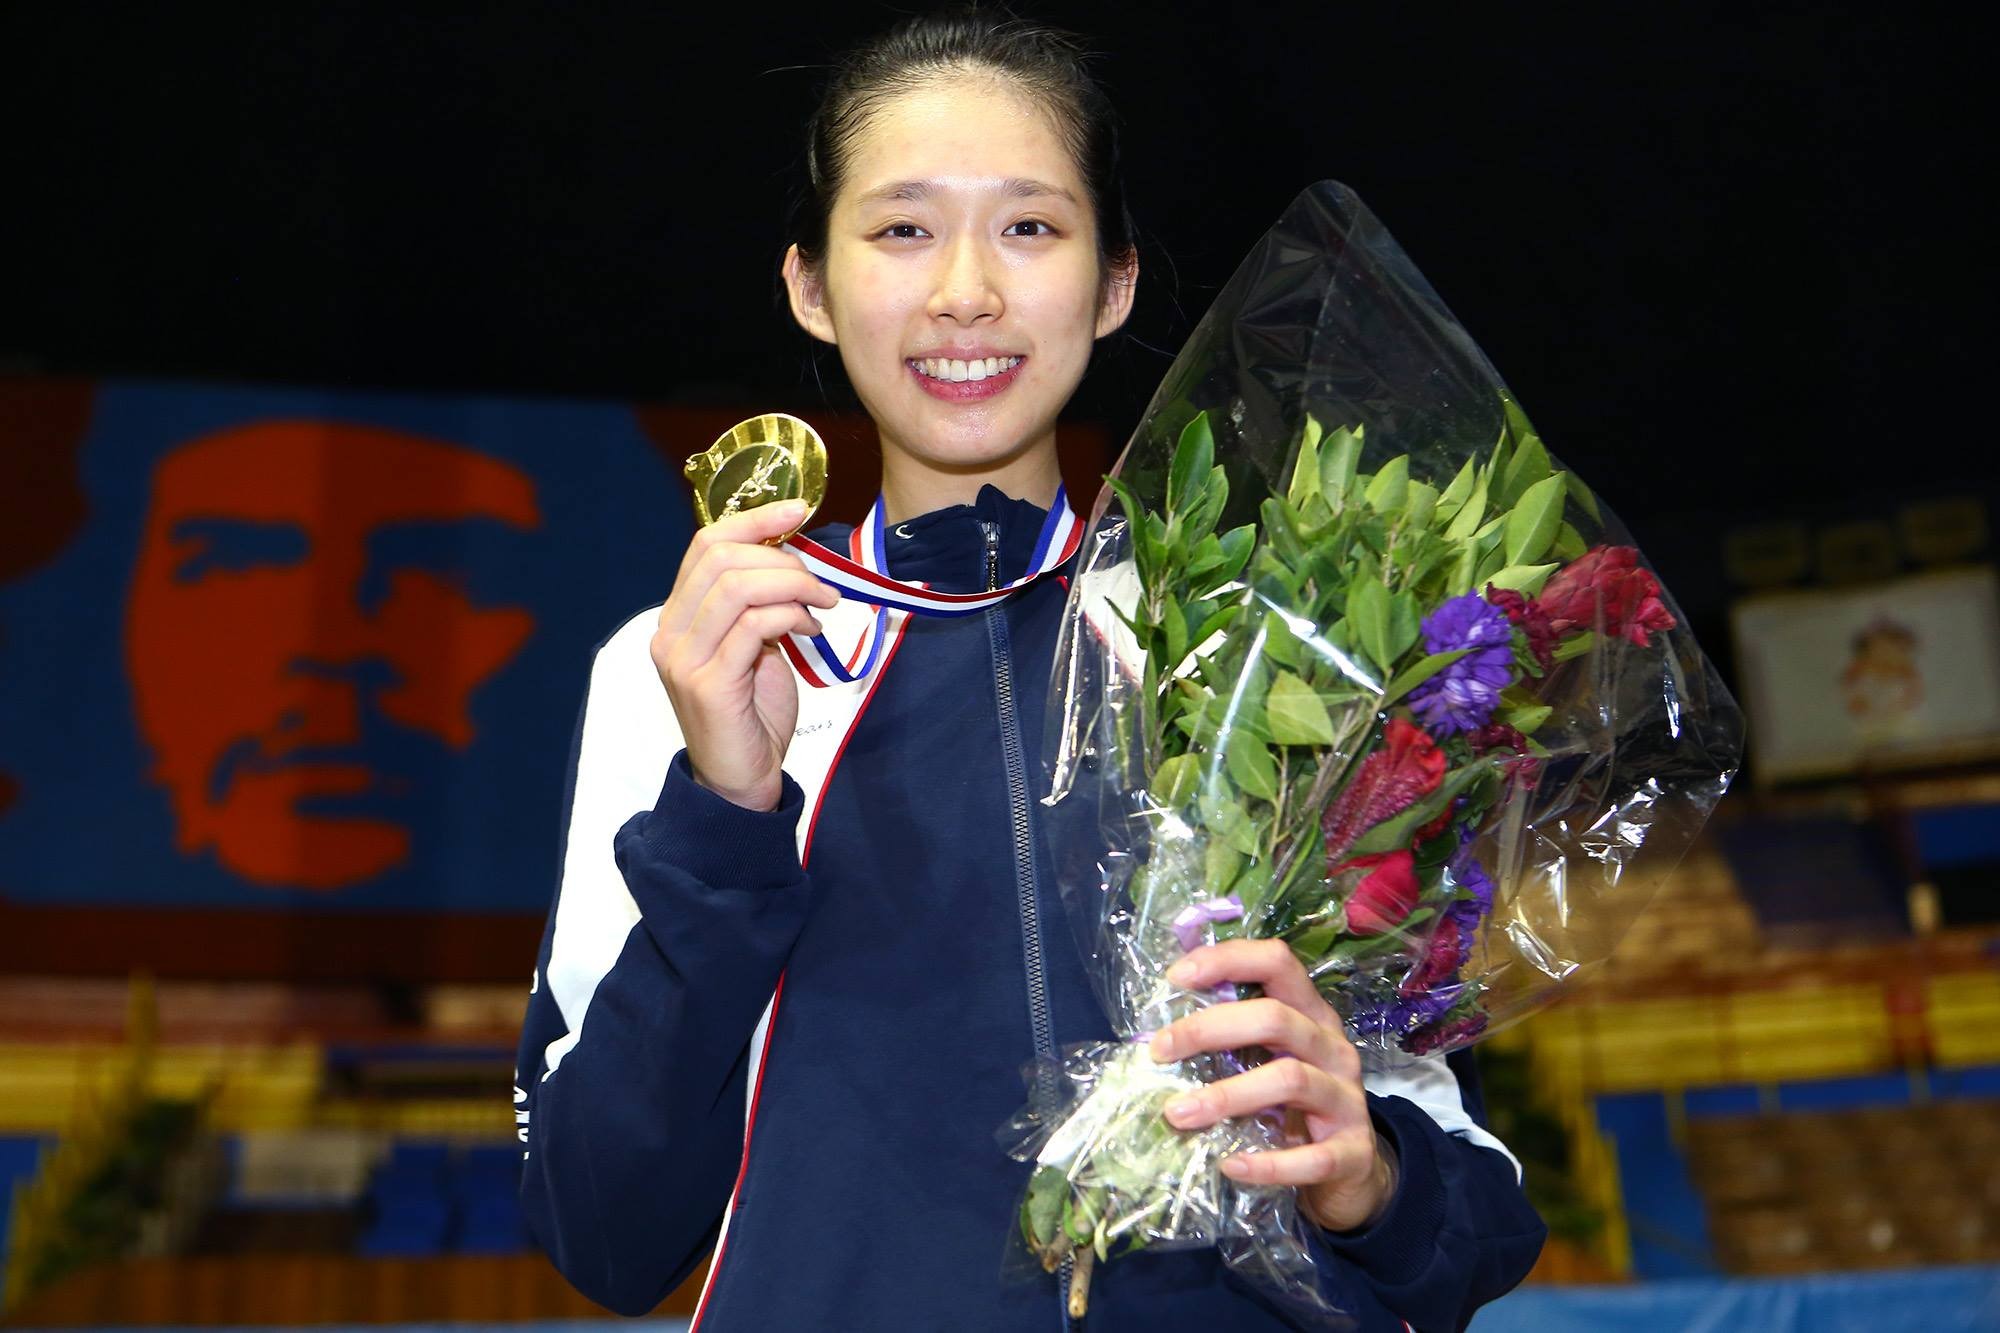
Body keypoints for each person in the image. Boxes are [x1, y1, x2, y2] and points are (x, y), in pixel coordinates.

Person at [513, 10, 1547, 1331]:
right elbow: (603, 1229)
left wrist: (1369, 1177)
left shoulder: (1271, 651)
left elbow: (1469, 1220)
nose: (964, 292)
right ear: (810, 286)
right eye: (900, 228)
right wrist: (725, 810)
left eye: (1030, 227)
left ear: (1113, 284)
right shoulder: (684, 664)